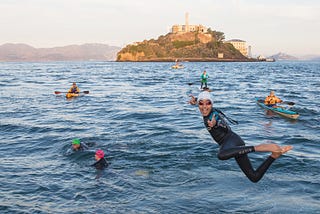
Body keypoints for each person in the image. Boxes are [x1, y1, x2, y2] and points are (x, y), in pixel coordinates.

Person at [190, 91, 292, 183]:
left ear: (212, 104)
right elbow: (203, 104)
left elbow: (220, 123)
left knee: (221, 155)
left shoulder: (213, 117)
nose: (204, 107)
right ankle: (274, 156)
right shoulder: (209, 109)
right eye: (201, 103)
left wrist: (215, 124)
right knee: (254, 177)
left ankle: (260, 147)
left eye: (208, 103)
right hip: (234, 144)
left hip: (230, 141)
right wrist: (195, 101)